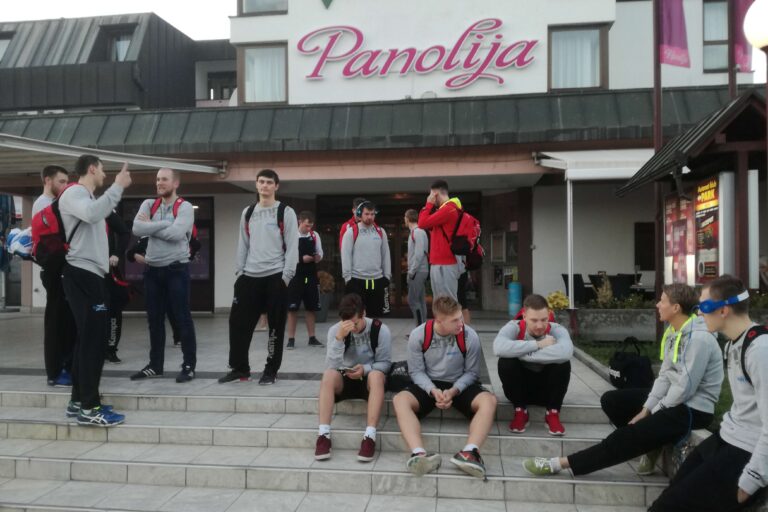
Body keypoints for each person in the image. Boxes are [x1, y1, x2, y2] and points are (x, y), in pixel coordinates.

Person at [522, 283, 723, 480]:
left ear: (676, 308)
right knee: (612, 401)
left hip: (692, 409)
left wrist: (654, 412)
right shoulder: (674, 332)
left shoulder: (699, 340)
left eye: (662, 301)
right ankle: (650, 443)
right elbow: (664, 376)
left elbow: (685, 388)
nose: (657, 305)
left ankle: (560, 463)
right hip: (673, 400)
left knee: (628, 435)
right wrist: (646, 408)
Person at [649, 275, 768, 511]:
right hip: (727, 437)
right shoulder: (733, 344)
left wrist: (753, 477)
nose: (698, 314)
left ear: (723, 310)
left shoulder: (759, 350)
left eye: (703, 307)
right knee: (670, 495)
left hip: (747, 450)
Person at [59, 155, 131, 427]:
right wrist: (118, 186)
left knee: (87, 340)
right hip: (83, 274)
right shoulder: (75, 193)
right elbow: (91, 213)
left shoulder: (88, 197)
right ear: (91, 168)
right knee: (94, 343)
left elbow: (98, 212)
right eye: (102, 169)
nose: (104, 174)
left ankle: (79, 401)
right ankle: (90, 408)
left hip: (90, 275)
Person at [392, 296, 497, 478]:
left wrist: (454, 390)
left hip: (460, 384)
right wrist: (432, 390)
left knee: (489, 401)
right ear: (439, 320)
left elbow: (472, 373)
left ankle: (470, 452)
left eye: (460, 317)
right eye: (454, 320)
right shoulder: (419, 335)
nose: (460, 323)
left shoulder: (469, 335)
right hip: (429, 384)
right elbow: (416, 372)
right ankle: (419, 454)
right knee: (399, 400)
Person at [220, 168, 299, 385]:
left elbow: (293, 246)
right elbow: (243, 244)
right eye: (261, 182)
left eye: (269, 182)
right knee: (237, 323)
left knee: (275, 327)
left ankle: (270, 371)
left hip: (276, 276)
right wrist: (240, 273)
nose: (265, 185)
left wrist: (286, 277)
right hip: (249, 277)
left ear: (276, 186)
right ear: (256, 184)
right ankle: (240, 369)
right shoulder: (248, 212)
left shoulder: (285, 212)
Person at [130, 168, 197, 383]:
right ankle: (155, 366)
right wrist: (162, 224)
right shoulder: (149, 204)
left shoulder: (184, 207)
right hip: (152, 270)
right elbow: (136, 229)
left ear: (175, 183)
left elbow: (177, 234)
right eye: (158, 179)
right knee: (154, 320)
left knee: (182, 318)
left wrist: (149, 226)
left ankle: (188, 366)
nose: (159, 183)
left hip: (176, 270)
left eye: (164, 179)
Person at [315, 293, 391, 462]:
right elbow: (331, 365)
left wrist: (365, 369)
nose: (352, 328)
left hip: (369, 378)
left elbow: (385, 364)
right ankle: (323, 435)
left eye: (355, 323)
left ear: (364, 314)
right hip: (346, 376)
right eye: (347, 323)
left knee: (377, 376)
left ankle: (370, 436)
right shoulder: (336, 330)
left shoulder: (380, 329)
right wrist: (339, 338)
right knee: (328, 375)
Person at [493, 294, 574, 436]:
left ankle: (552, 413)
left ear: (549, 315)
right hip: (519, 391)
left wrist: (520, 353)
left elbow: (566, 352)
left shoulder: (557, 329)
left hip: (547, 392)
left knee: (563, 363)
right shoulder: (513, 327)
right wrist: (538, 344)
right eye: (534, 320)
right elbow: (498, 348)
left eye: (544, 319)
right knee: (506, 362)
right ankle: (520, 411)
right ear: (524, 316)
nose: (540, 325)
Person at [33, 165, 76, 387]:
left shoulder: (56, 203)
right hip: (54, 270)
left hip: (60, 269)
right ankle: (55, 372)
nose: (65, 186)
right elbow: (52, 243)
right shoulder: (44, 205)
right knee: (56, 322)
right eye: (61, 181)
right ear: (48, 181)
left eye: (67, 181)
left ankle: (65, 366)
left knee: (66, 320)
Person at [127, 237, 181, 346]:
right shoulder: (147, 239)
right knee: (154, 312)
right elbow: (130, 253)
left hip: (172, 276)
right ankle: (157, 340)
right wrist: (135, 255)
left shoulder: (170, 236)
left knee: (173, 308)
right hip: (153, 278)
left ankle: (178, 337)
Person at [341, 200, 391, 317]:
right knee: (354, 316)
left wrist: (387, 276)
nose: (370, 217)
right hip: (356, 280)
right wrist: (348, 278)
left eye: (372, 214)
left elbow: (386, 255)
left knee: (375, 317)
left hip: (377, 280)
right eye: (367, 214)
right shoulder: (351, 232)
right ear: (360, 214)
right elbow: (346, 255)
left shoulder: (380, 232)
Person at [417, 180, 462, 301]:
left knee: (449, 303)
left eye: (432, 194)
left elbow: (421, 223)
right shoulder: (445, 210)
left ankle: (454, 315)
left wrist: (428, 204)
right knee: (440, 303)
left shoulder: (449, 209)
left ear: (437, 194)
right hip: (440, 263)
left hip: (445, 264)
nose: (430, 197)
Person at [287, 211, 324, 349]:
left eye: (311, 226)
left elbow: (320, 252)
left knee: (311, 307)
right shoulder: (291, 235)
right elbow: (285, 255)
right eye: (306, 225)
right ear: (300, 221)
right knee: (292, 308)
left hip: (310, 276)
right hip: (296, 276)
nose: (309, 228)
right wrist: (301, 259)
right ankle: (291, 339)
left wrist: (317, 257)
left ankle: (312, 338)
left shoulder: (314, 235)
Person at [104, 211, 131, 364]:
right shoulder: (78, 208)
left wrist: (117, 254)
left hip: (108, 270)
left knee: (113, 310)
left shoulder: (106, 211)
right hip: (86, 270)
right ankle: (95, 349)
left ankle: (111, 349)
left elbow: (125, 233)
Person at [405, 209, 429, 327]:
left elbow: (419, 254)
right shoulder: (417, 232)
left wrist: (411, 271)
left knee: (412, 300)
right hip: (420, 271)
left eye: (405, 217)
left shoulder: (417, 232)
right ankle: (423, 328)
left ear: (407, 218)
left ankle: (420, 328)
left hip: (418, 271)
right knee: (420, 300)